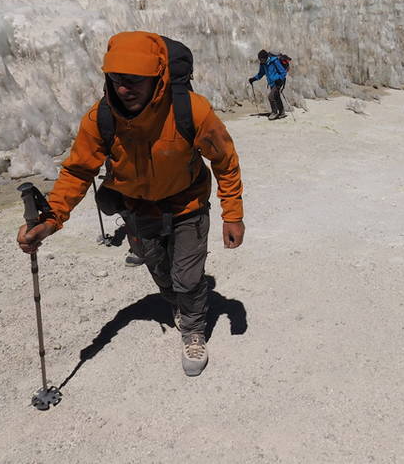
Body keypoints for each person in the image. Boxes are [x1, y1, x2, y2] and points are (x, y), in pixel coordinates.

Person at [16, 31, 245, 377]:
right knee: (162, 275)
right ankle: (179, 305)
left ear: (158, 77)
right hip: (138, 209)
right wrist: (52, 219)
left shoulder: (191, 111)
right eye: (117, 78)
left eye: (136, 79)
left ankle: (193, 328)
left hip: (188, 206)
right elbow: (78, 171)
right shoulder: (101, 119)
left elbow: (224, 160)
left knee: (187, 276)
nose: (125, 88)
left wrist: (233, 213)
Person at [249, 49, 289, 120]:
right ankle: (282, 112)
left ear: (265, 57)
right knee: (276, 97)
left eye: (261, 59)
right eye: (259, 59)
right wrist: (254, 79)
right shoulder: (263, 64)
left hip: (278, 82)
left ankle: (274, 112)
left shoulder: (274, 61)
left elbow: (283, 72)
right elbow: (261, 74)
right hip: (271, 83)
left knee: (271, 97)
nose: (260, 61)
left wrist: (280, 79)